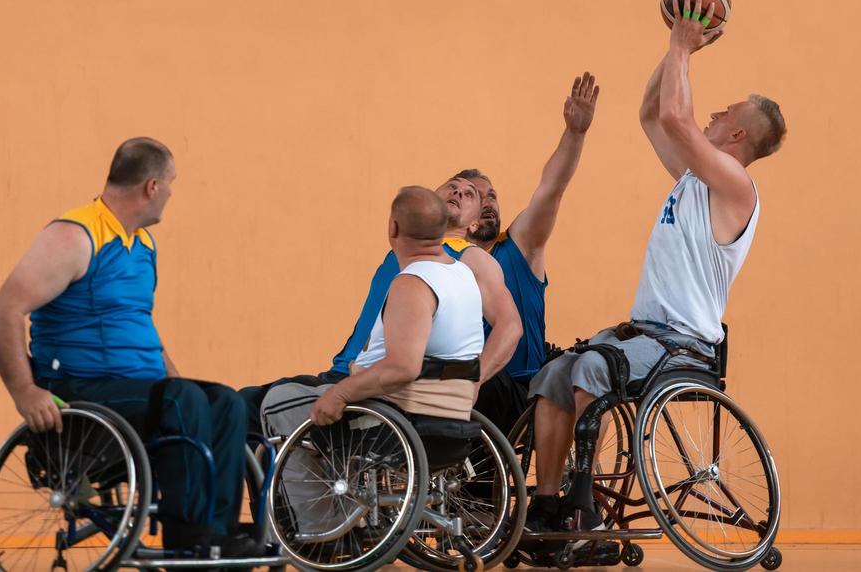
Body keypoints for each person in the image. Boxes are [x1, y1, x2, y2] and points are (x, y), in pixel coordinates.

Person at [526, 0, 786, 533]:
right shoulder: (695, 183)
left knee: (593, 369)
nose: (714, 114)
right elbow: (651, 113)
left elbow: (676, 115)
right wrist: (676, 43)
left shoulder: (737, 188)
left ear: (737, 136)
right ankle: (548, 507)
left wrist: (683, 45)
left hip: (685, 343)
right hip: (644, 334)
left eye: (726, 114)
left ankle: (584, 506)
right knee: (554, 374)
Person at [0, 137, 257, 557]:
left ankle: (217, 532)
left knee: (223, 401)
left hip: (138, 390)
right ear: (152, 187)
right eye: (171, 184)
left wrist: (177, 382)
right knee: (184, 399)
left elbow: (139, 328)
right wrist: (25, 391)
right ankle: (188, 535)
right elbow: (3, 310)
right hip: (81, 387)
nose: (170, 194)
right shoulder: (75, 236)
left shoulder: (142, 246)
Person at [259, 187, 493, 532]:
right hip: (452, 421)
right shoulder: (462, 276)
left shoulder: (414, 282)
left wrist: (339, 394)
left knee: (276, 402)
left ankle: (320, 531)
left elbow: (404, 367)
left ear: (393, 229)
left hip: (397, 422)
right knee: (312, 396)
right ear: (443, 226)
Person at [239, 176, 519, 423]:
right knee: (253, 408)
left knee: (252, 408)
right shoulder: (410, 251)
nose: (458, 193)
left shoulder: (469, 260)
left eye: (469, 194)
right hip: (350, 373)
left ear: (474, 223)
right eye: (451, 186)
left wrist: (474, 380)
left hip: (378, 388)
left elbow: (510, 327)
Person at [458, 71, 601, 434]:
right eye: (475, 195)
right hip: (467, 386)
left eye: (492, 194)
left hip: (517, 390)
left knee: (465, 381)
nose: (488, 202)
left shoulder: (519, 244)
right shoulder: (446, 258)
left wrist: (575, 133)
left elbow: (552, 188)